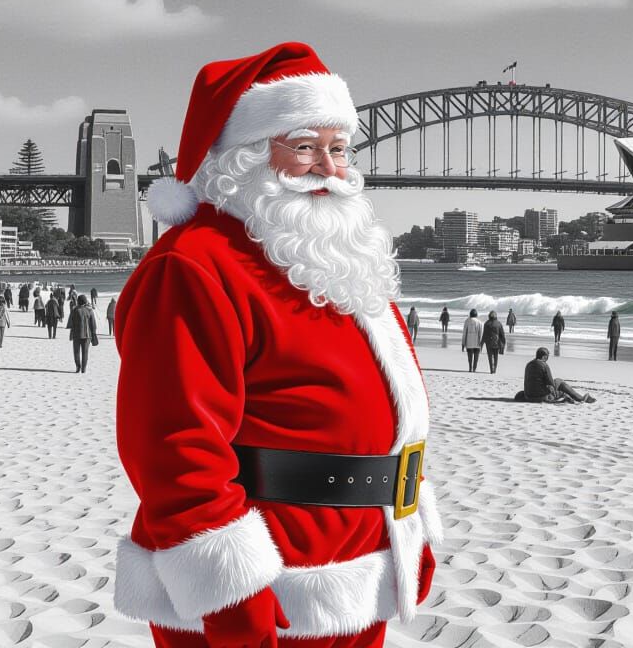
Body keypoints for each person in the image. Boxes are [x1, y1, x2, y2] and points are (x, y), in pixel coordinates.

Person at [112, 43, 438, 646]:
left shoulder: (337, 259)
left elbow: (389, 406)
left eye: (339, 149)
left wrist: (407, 525)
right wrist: (229, 591)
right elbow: (171, 443)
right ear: (247, 156)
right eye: (305, 145)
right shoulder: (195, 266)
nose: (328, 167)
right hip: (267, 582)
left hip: (359, 566)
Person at [522, 347, 595, 403]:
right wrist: (551, 387)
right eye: (547, 356)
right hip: (540, 395)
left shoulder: (529, 364)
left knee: (555, 383)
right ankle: (579, 398)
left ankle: (574, 396)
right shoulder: (544, 365)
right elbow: (551, 383)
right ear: (544, 356)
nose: (547, 358)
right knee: (559, 381)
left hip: (528, 395)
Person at [67, 294, 98, 373]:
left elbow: (70, 323)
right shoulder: (90, 310)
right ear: (85, 301)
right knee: (85, 352)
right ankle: (83, 369)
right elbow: (93, 324)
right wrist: (93, 334)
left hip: (76, 334)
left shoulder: (74, 310)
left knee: (76, 352)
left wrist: (71, 332)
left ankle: (78, 367)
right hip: (87, 335)